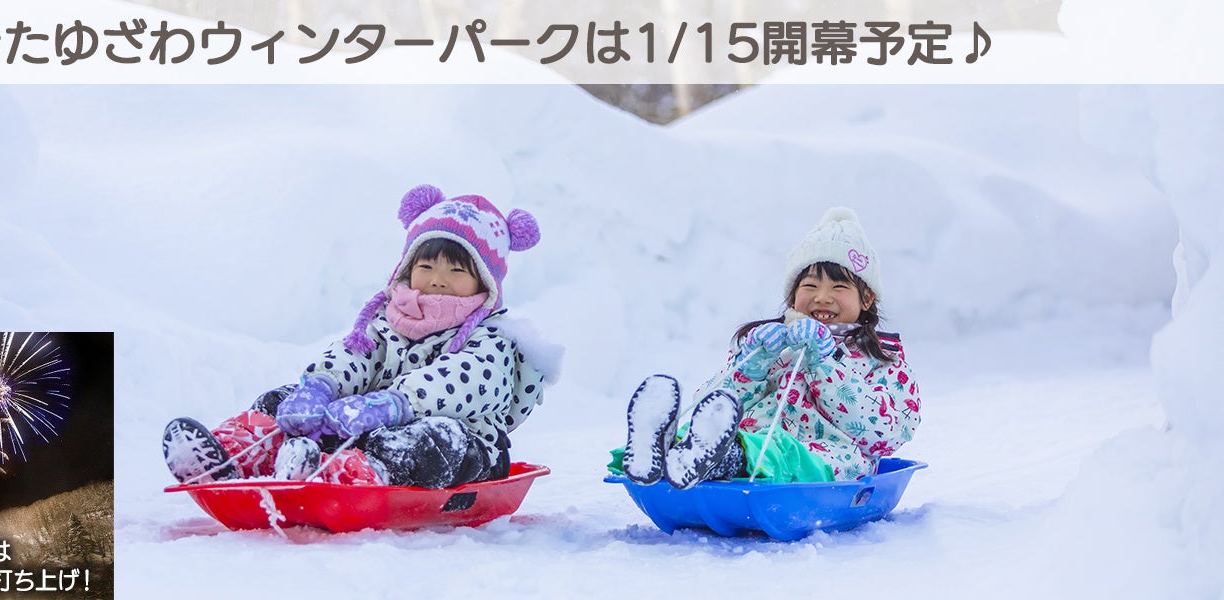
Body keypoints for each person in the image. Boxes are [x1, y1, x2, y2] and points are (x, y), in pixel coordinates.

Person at [164, 184, 554, 489]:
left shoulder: (492, 337)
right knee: (283, 400)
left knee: (435, 439)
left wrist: (393, 404)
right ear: (406, 267)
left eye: (456, 271)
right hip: (364, 427)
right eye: (426, 264)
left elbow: (460, 380)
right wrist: (320, 387)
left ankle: (341, 477)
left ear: (483, 280)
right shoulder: (389, 317)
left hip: (466, 446)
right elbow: (356, 355)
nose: (438, 278)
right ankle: (232, 456)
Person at [621, 207, 922, 488]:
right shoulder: (774, 345)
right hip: (749, 437)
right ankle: (656, 449)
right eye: (810, 286)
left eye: (839, 287)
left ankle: (712, 460)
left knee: (779, 454)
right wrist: (752, 365)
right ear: (793, 296)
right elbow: (712, 405)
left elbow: (885, 434)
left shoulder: (882, 360)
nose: (822, 297)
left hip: (824, 462)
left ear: (866, 299)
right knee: (709, 435)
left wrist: (824, 363)